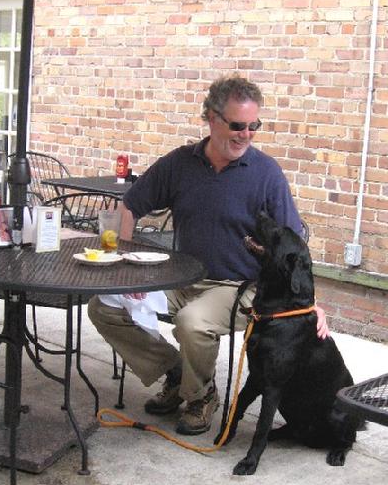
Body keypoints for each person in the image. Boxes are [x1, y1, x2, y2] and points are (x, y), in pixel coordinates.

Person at [88, 75, 329, 436]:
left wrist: (310, 302)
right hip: (180, 278)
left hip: (239, 288)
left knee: (192, 322)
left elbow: (294, 247)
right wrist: (126, 268)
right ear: (212, 118)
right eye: (237, 125)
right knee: (105, 305)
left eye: (253, 126)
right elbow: (130, 205)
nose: (245, 134)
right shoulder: (180, 163)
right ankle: (177, 374)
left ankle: (200, 397)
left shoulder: (266, 174)